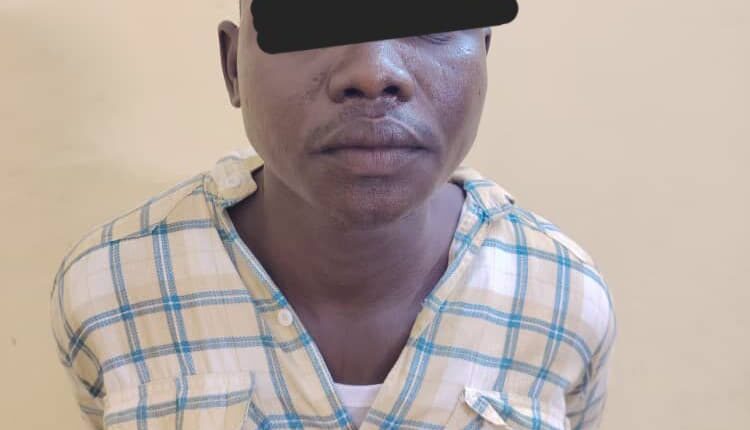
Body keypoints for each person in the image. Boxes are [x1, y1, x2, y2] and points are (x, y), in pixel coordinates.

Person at [50, 1, 616, 429]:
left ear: (483, 59)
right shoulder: (110, 290)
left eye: (430, 20)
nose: (372, 72)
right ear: (232, 67)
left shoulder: (563, 298)